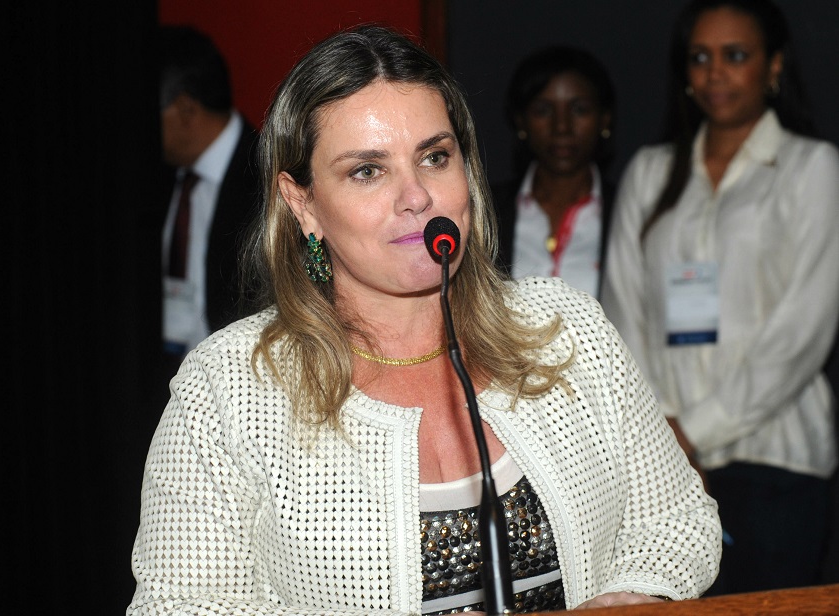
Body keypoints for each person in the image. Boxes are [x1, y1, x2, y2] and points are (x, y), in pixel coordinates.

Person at [129, 25, 720, 615]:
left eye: (435, 157)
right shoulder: (228, 386)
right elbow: (176, 606)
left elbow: (677, 518)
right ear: (302, 203)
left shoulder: (568, 327)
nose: (416, 196)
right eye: (367, 170)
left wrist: (635, 594)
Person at [603, 0, 839, 595]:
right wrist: (661, 435)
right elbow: (622, 313)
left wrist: (692, 432)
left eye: (735, 55)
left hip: (775, 458)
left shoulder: (813, 168)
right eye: (700, 57)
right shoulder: (650, 172)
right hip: (659, 471)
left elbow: (803, 331)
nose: (715, 73)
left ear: (774, 65)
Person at [159, 26, 261, 364]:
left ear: (186, 109)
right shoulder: (160, 175)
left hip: (239, 375)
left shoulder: (269, 177)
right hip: (167, 371)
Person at [495, 47, 615, 298]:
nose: (562, 127)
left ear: (604, 119)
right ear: (520, 120)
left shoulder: (627, 210)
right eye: (544, 110)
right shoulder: (487, 211)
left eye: (579, 109)